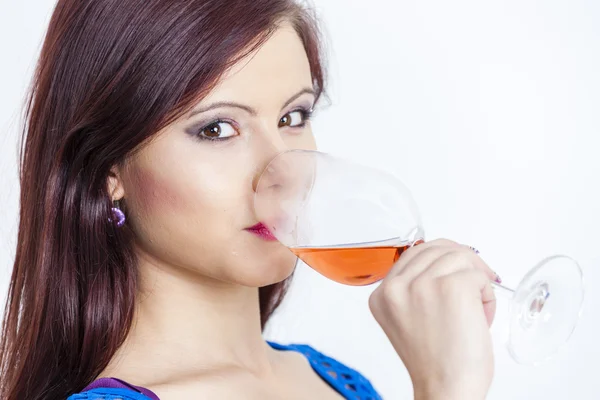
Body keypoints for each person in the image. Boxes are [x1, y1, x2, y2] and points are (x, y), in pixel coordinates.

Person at [0, 0, 500, 399]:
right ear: (110, 168)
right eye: (217, 129)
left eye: (293, 117)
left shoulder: (334, 382)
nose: (280, 173)